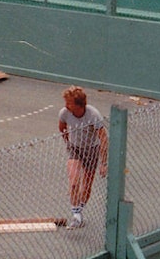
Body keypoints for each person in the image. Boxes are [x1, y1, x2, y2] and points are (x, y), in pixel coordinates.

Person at [58, 86, 107, 229]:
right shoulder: (64, 113)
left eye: (69, 103)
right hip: (75, 149)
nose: (66, 105)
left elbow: (103, 138)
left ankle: (80, 209)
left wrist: (103, 163)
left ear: (79, 104)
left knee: (86, 186)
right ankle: (76, 215)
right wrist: (68, 143)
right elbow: (62, 128)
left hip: (91, 150)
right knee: (74, 182)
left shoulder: (93, 115)